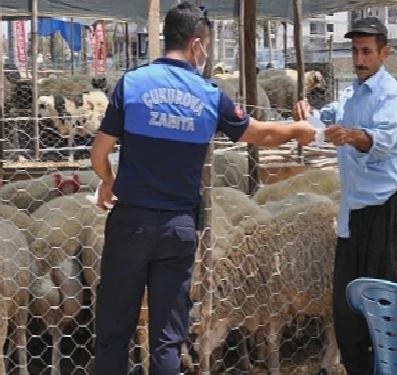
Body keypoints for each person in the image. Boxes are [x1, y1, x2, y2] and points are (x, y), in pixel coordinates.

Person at [90, 3, 316, 374]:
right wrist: (298, 131)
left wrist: (108, 182)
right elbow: (258, 133)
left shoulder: (131, 84)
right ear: (197, 44)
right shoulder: (209, 95)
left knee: (114, 332)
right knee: (166, 338)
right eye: (206, 46)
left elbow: (99, 153)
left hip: (131, 222)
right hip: (178, 228)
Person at [294, 16, 397, 375]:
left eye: (367, 52)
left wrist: (352, 136)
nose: (359, 59)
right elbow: (325, 119)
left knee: (382, 305)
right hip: (353, 213)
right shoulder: (352, 94)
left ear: (384, 53)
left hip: (383, 210)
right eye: (355, 51)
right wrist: (307, 115)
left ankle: (387, 369)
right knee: (347, 311)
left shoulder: (391, 94)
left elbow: (383, 139)